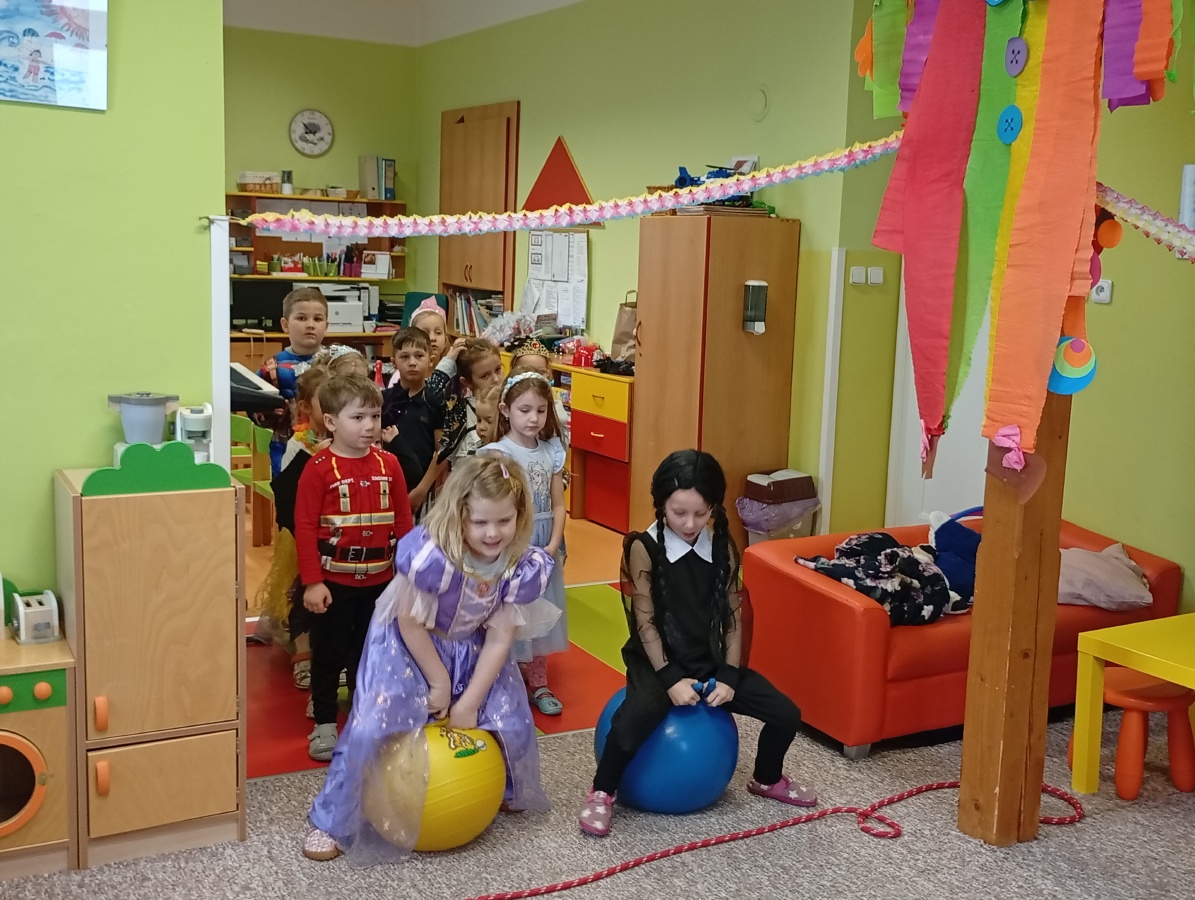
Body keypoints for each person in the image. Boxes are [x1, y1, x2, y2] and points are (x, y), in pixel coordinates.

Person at [301, 455, 559, 863]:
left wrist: (469, 702)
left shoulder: (518, 565)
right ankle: (333, 820)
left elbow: (499, 639)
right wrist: (439, 681)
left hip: (472, 647)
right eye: (480, 522)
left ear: (520, 515)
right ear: (459, 515)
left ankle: (499, 786)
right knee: (371, 727)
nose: (493, 533)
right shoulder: (433, 557)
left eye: (504, 521)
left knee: (509, 717)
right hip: (408, 646)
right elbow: (409, 622)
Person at [578, 450, 816, 837]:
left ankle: (767, 778)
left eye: (701, 514)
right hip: (657, 660)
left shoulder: (722, 546)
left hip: (708, 658)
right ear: (661, 506)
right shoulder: (643, 547)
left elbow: (733, 616)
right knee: (633, 720)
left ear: (713, 509)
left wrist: (729, 675)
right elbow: (645, 622)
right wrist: (670, 679)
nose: (690, 524)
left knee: (786, 713)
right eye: (679, 513)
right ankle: (602, 791)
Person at [294, 374, 414, 761]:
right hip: (333, 582)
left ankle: (366, 714)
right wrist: (313, 582)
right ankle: (325, 720)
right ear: (331, 422)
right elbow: (305, 527)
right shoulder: (318, 468)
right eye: (358, 417)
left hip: (381, 580)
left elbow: (403, 520)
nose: (369, 426)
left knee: (371, 651)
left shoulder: (389, 464)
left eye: (375, 417)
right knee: (328, 652)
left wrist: (409, 572)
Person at [478, 373, 568, 716]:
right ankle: (506, 680)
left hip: (543, 545)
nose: (533, 418)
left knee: (541, 611)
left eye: (541, 411)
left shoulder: (551, 452)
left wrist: (554, 544)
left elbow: (558, 504)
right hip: (511, 544)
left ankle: (539, 682)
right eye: (525, 410)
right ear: (506, 410)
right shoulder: (497, 453)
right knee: (509, 612)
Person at [255, 361, 332, 697]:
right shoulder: (298, 444)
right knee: (300, 590)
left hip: (334, 531)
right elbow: (289, 492)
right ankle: (302, 652)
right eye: (325, 403)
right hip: (302, 531)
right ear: (305, 407)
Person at [258, 287, 330, 475]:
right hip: (285, 445)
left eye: (318, 319)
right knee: (289, 489)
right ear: (285, 324)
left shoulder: (335, 364)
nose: (310, 325)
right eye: (302, 318)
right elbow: (255, 408)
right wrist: (272, 412)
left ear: (326, 326)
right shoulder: (272, 369)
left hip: (332, 445)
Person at [381, 327, 445, 518]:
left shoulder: (436, 401)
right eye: (404, 357)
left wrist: (421, 490)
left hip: (424, 491)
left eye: (419, 356)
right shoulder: (383, 400)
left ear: (430, 360)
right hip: (387, 487)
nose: (412, 362)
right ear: (393, 362)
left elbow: (441, 451)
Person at [429, 338, 506, 466]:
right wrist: (449, 360)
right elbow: (432, 394)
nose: (496, 379)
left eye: (498, 369)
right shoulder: (461, 410)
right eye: (485, 376)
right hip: (467, 476)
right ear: (467, 382)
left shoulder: (512, 404)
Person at [508, 338, 569, 447]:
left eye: (541, 372)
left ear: (549, 375)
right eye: (528, 371)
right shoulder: (509, 404)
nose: (535, 377)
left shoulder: (555, 408)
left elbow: (562, 444)